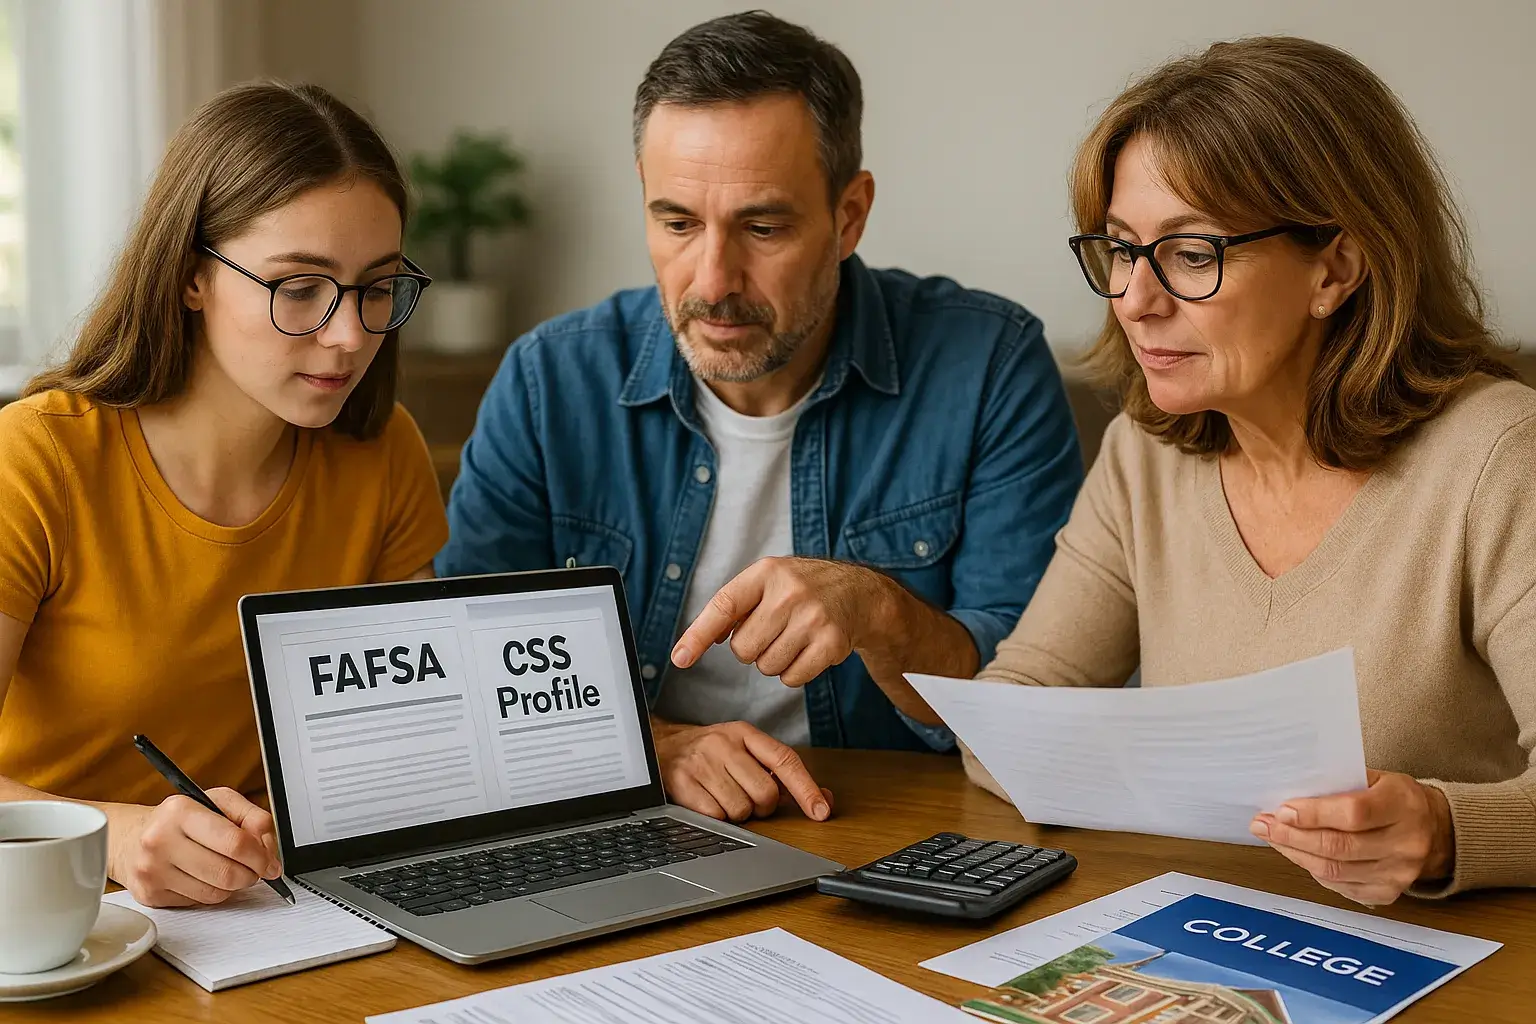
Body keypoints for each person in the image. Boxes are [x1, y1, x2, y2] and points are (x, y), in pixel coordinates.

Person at [438, 11, 1082, 824]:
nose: (713, 279)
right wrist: (656, 744)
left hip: (892, 830)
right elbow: (474, 672)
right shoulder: (548, 382)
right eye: (677, 223)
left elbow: (1035, 694)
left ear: (849, 216)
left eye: (763, 226)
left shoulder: (987, 366)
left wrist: (879, 612)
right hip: (629, 825)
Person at [964, 35, 1536, 905]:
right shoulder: (1143, 454)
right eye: (1120, 250)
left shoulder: (1499, 455)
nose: (1135, 300)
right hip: (1201, 929)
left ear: (1336, 267)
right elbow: (1006, 716)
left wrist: (1444, 831)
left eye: (1193, 255)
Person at [0, 83, 448, 908]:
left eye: (378, 287)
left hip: (277, 911)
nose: (349, 335)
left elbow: (412, 728)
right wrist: (122, 838)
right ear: (190, 277)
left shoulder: (382, 454)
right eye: (300, 287)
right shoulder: (37, 462)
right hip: (58, 917)